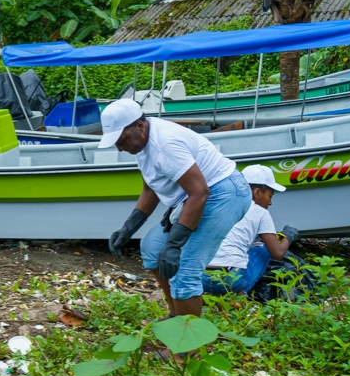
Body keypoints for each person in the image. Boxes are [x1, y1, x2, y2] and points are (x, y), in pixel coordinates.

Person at [102, 99, 251, 318]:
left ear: (139, 127)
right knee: (152, 247)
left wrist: (175, 244)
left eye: (121, 140)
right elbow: (150, 190)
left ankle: (185, 348)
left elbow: (199, 192)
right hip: (197, 195)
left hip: (225, 193)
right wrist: (128, 228)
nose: (119, 147)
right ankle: (177, 317)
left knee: (184, 271)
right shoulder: (141, 145)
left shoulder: (165, 144)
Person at [202, 164, 298, 295]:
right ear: (257, 192)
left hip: (202, 278)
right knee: (263, 248)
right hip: (231, 280)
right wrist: (288, 236)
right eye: (270, 196)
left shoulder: (220, 202)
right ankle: (240, 295)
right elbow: (277, 253)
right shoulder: (260, 212)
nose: (270, 203)